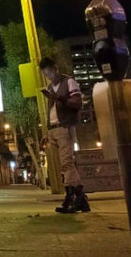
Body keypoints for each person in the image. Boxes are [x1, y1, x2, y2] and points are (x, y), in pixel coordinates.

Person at [39, 57, 90, 214]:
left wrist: (59, 98)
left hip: (65, 127)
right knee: (65, 165)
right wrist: (47, 131)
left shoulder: (69, 82)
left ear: (55, 67)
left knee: (67, 163)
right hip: (54, 129)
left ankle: (70, 199)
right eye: (45, 72)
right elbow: (51, 111)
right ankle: (80, 199)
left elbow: (77, 103)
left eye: (50, 71)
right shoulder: (50, 87)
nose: (48, 75)